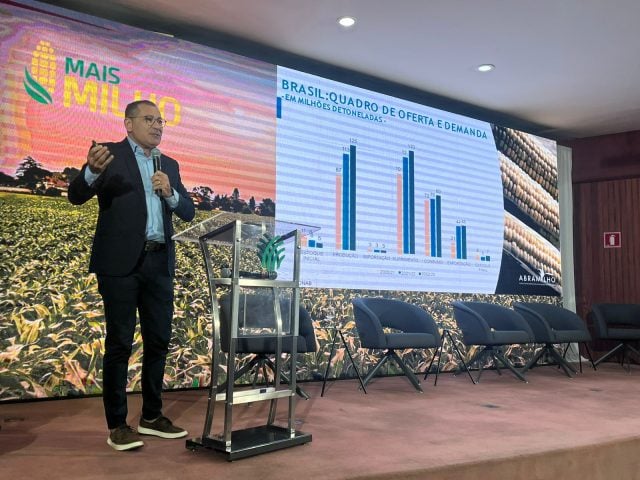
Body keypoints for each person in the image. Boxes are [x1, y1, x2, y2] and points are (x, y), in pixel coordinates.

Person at [68, 100, 195, 451]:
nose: (157, 126)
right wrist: (90, 172)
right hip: (120, 266)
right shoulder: (109, 156)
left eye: (161, 121)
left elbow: (188, 212)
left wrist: (170, 193)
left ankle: (152, 416)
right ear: (128, 123)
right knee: (120, 344)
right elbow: (75, 196)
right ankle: (118, 425)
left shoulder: (169, 165)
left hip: (159, 264)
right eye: (149, 119)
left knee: (158, 341)